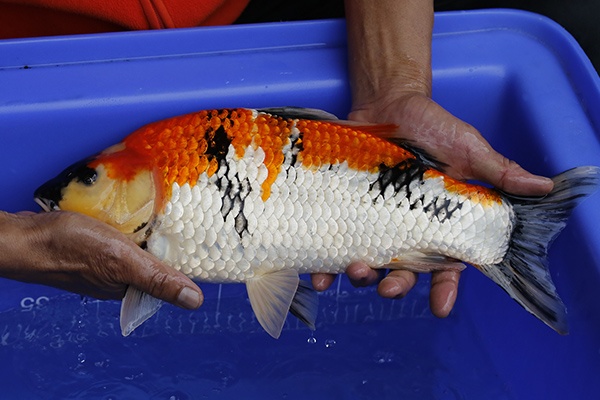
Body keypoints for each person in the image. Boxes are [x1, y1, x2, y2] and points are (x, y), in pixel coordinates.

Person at [0, 0, 554, 318]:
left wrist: (393, 85)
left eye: (90, 178)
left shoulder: (164, 155)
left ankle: (498, 230)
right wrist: (18, 243)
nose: (62, 196)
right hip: (35, 54)